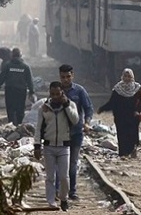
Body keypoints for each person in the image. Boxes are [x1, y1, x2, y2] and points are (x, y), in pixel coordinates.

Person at [34, 81, 79, 210]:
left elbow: (75, 120)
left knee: (64, 177)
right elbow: (39, 128)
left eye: (57, 94)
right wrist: (37, 145)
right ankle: (51, 201)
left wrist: (66, 105)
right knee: (50, 177)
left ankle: (63, 198)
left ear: (62, 92)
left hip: (64, 146)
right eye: (52, 94)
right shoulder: (44, 107)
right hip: (49, 146)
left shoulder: (70, 105)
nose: (55, 96)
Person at [58, 64, 93, 200]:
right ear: (59, 76)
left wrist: (87, 122)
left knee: (72, 163)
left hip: (76, 132)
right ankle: (58, 190)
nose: (65, 80)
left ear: (72, 75)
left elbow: (88, 108)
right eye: (63, 77)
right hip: (60, 133)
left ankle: (72, 191)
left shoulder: (79, 91)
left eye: (68, 76)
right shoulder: (56, 90)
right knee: (60, 164)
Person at [98, 68, 141, 158]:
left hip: (132, 116)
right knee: (122, 134)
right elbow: (112, 102)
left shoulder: (136, 88)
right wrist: (102, 108)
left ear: (132, 77)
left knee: (132, 134)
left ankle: (132, 150)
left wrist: (137, 111)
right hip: (120, 116)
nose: (127, 78)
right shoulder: (117, 89)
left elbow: (140, 102)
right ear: (122, 76)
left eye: (129, 76)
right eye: (125, 76)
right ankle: (123, 153)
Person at [0, 48, 36, 125]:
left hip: (10, 90)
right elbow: (30, 80)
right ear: (20, 55)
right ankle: (19, 125)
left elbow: (2, 77)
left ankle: (11, 124)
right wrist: (31, 91)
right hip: (21, 91)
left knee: (10, 108)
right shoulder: (25, 67)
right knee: (20, 109)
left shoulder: (7, 65)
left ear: (12, 55)